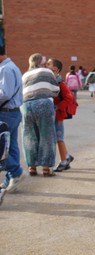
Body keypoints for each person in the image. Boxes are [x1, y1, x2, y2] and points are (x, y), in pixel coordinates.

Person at [21, 53, 60, 177]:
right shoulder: (46, 71)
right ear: (41, 62)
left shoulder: (25, 74)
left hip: (26, 105)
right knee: (46, 135)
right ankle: (46, 168)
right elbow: (55, 90)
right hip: (43, 103)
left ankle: (32, 167)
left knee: (29, 136)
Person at [0, 45, 27, 193]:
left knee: (2, 148)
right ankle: (11, 178)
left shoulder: (5, 69)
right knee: (11, 147)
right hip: (12, 112)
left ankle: (16, 172)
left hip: (6, 112)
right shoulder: (12, 66)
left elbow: (4, 93)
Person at [46, 58, 75, 172]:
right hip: (53, 113)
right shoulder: (51, 81)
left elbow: (69, 98)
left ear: (55, 69)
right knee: (57, 137)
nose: (46, 65)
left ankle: (64, 162)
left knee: (59, 138)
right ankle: (67, 156)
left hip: (58, 115)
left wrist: (57, 107)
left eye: (48, 64)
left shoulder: (60, 82)